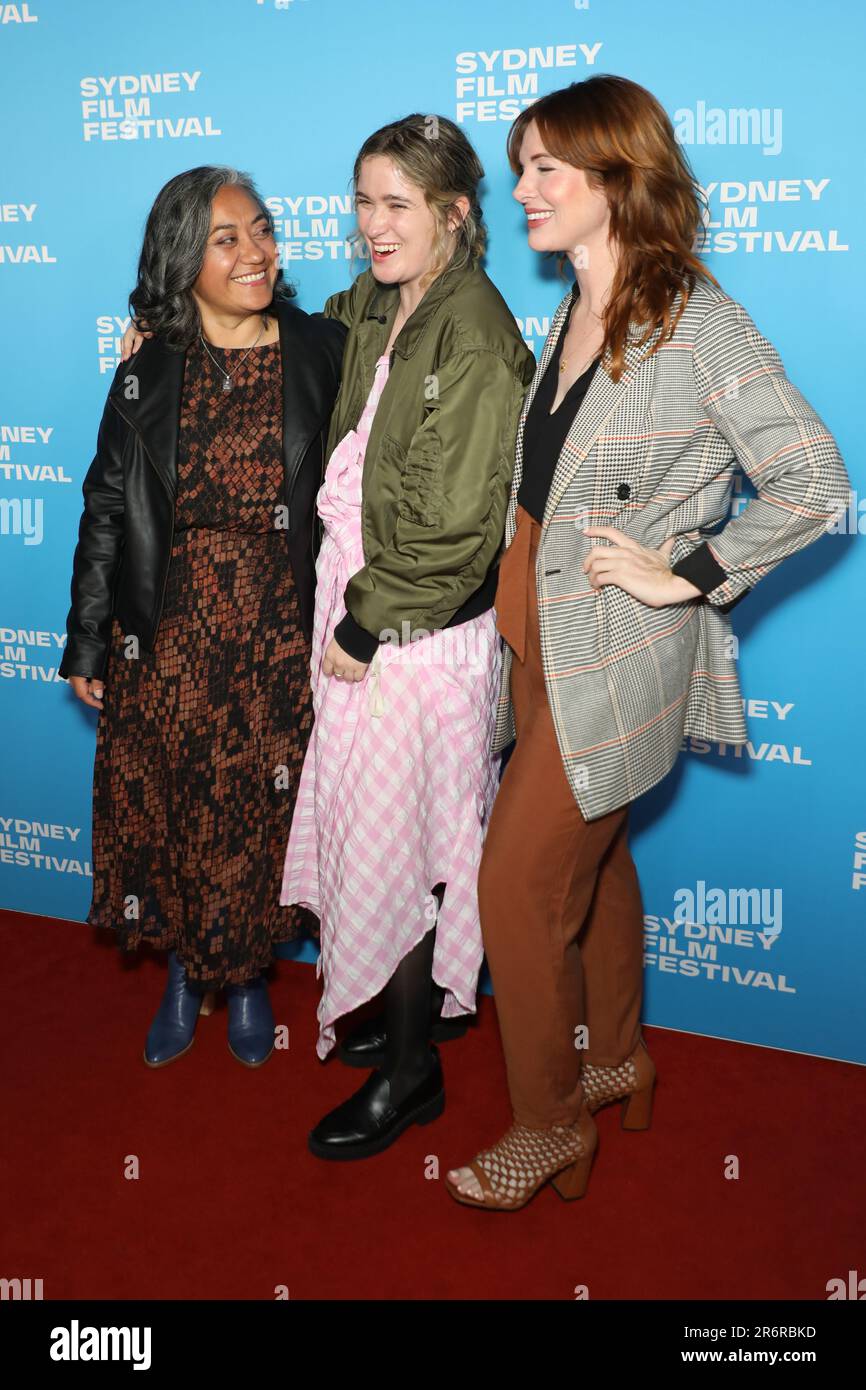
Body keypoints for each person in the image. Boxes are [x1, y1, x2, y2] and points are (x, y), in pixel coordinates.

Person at [445, 76, 850, 1210]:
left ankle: (545, 1124)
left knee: (516, 886)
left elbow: (814, 480)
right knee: (598, 858)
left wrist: (692, 574)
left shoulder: (696, 319)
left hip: (617, 643)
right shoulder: (574, 302)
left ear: (616, 181)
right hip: (534, 623)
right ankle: (617, 1055)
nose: (518, 189)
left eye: (543, 171)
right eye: (518, 165)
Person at [280, 114, 536, 1160]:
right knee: (378, 839)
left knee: (410, 853)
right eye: (362, 202)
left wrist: (364, 620)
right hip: (366, 615)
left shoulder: (471, 329)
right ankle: (394, 1026)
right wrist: (168, 325)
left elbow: (457, 522)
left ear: (452, 213)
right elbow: (302, 326)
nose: (372, 224)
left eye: (396, 204)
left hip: (410, 636)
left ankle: (409, 1073)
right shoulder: (393, 301)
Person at [60, 166, 345, 1069]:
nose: (256, 251)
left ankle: (250, 972)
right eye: (227, 239)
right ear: (184, 258)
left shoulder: (325, 350)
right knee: (181, 806)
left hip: (280, 629)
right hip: (168, 631)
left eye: (261, 229)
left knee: (264, 811)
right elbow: (107, 505)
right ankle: (189, 965)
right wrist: (90, 636)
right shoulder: (147, 371)